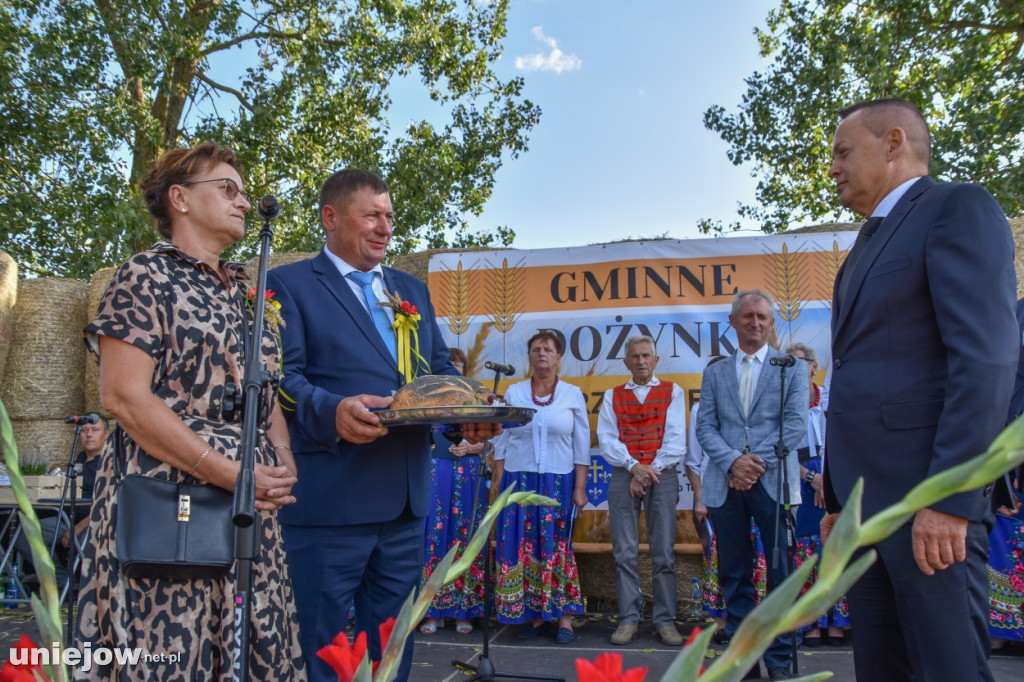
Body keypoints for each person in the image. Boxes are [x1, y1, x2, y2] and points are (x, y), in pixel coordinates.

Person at [77, 142, 305, 679]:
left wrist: (284, 458)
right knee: (171, 649)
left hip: (246, 495)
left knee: (253, 637)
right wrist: (223, 471)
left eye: (244, 192)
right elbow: (124, 397)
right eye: (227, 189)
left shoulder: (248, 292)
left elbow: (263, 389)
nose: (243, 202)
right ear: (179, 198)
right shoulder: (144, 276)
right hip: (166, 488)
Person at [266, 168, 500, 682]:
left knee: (393, 646)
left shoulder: (408, 288)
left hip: (405, 502)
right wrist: (333, 411)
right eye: (371, 214)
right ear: (330, 217)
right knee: (322, 646)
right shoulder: (288, 284)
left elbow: (439, 372)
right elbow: (282, 377)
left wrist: (466, 421)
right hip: (331, 497)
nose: (385, 227)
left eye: (389, 216)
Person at [821, 98, 1018, 681]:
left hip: (929, 509)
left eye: (842, 151)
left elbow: (985, 359)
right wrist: (839, 502)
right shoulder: (862, 247)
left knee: (948, 670)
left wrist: (952, 501)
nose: (833, 168)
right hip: (866, 515)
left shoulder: (958, 208)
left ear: (893, 142)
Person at [696, 289, 807, 681]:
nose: (755, 323)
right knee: (735, 573)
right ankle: (744, 661)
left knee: (779, 574)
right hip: (725, 484)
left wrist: (753, 464)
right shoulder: (715, 372)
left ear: (771, 322)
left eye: (762, 317)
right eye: (747, 316)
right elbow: (705, 427)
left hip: (773, 483)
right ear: (733, 322)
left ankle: (779, 662)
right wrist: (732, 462)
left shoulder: (790, 368)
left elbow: (794, 425)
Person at [491, 330, 589, 645]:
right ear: (529, 356)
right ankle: (534, 615)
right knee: (525, 546)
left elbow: (581, 446)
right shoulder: (514, 392)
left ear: (559, 357)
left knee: (557, 547)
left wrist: (580, 488)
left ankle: (564, 618)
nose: (542, 354)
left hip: (559, 481)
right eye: (536, 349)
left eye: (548, 349)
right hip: (519, 480)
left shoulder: (572, 394)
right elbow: (502, 444)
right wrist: (498, 484)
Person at [596, 335, 686, 646]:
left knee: (663, 552)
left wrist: (647, 472)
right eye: (635, 356)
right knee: (624, 552)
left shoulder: (673, 391)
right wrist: (634, 467)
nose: (641, 361)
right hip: (625, 475)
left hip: (661, 476)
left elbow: (675, 440)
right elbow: (607, 439)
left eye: (646, 355)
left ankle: (665, 620)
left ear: (656, 360)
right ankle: (628, 619)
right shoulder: (612, 395)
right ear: (626, 362)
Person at [685, 357, 768, 635]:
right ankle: (729, 626)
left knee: (761, 560)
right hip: (719, 493)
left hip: (758, 486)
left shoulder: (752, 408)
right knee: (727, 563)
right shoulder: (700, 411)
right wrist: (700, 497)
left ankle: (763, 623)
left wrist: (748, 473)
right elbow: (694, 461)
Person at [782, 342, 849, 647]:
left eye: (800, 363)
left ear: (813, 366)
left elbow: (848, 441)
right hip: (801, 481)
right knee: (806, 550)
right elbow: (778, 452)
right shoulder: (782, 404)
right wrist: (812, 478)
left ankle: (837, 621)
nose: (795, 369)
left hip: (834, 478)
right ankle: (811, 621)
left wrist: (829, 480)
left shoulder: (832, 399)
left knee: (834, 546)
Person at [418, 347, 487, 636]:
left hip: (468, 477)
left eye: (459, 364)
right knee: (434, 540)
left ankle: (464, 611)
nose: (454, 369)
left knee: (464, 539)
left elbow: (495, 441)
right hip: (436, 477)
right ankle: (431, 613)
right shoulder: (426, 403)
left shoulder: (477, 402)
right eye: (450, 365)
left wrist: (473, 447)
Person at [15, 413, 108, 590]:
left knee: (85, 544)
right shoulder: (81, 458)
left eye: (95, 430)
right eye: (84, 430)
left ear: (106, 435)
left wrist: (77, 527)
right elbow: (75, 471)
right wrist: (55, 468)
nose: (89, 434)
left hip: (94, 523)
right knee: (26, 535)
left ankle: (88, 590)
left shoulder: (110, 462)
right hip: (68, 519)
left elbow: (107, 504)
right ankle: (63, 582)